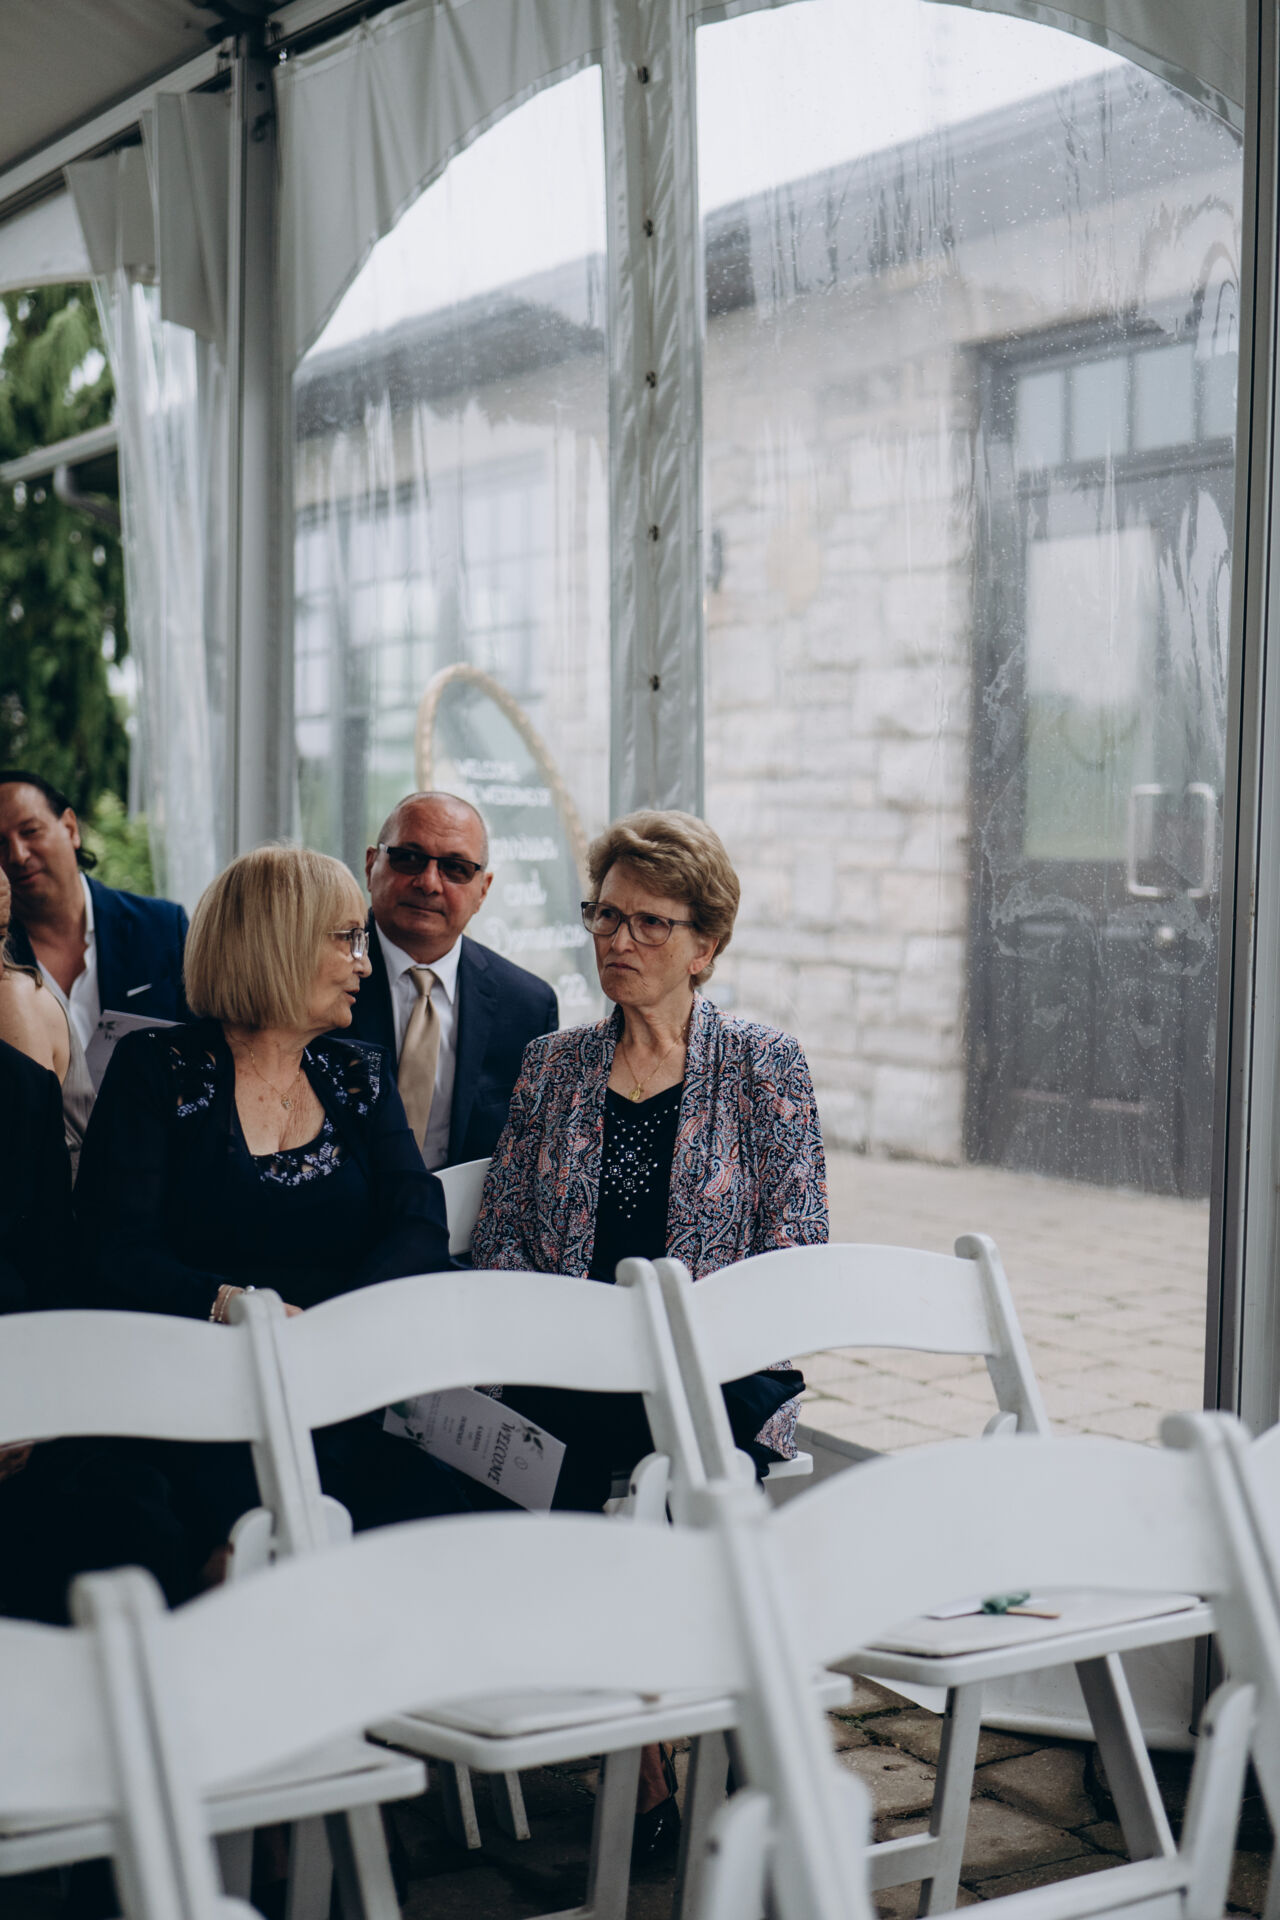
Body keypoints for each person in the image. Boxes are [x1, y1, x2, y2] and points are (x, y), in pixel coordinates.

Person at [472, 808, 825, 1844]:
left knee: (663, 1469)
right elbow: (501, 1241)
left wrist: (678, 1347)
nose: (617, 940)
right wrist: (567, 1336)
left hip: (718, 1366)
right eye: (605, 915)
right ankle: (651, 1745)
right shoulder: (552, 1066)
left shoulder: (763, 1065)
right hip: (567, 1364)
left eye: (649, 923)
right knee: (553, 1455)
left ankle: (658, 1727)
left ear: (704, 945)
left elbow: (795, 1248)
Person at [75, 842, 470, 1564]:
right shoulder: (157, 1069)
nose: (364, 964)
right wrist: (232, 1304)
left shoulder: (357, 1073)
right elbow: (115, 1251)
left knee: (442, 1527)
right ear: (278, 943)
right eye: (347, 939)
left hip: (343, 1394)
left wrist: (334, 1331)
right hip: (195, 1396)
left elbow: (417, 1222)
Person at [346, 790, 558, 1169]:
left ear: (483, 890)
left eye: (455, 868)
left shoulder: (528, 1008)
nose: (428, 883)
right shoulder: (312, 977)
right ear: (371, 864)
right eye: (409, 858)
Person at [0, 770, 190, 1048]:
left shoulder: (162, 927)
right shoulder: (2, 955)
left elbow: (211, 1042)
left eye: (30, 831)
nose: (18, 854)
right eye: (0, 843)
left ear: (70, 828)